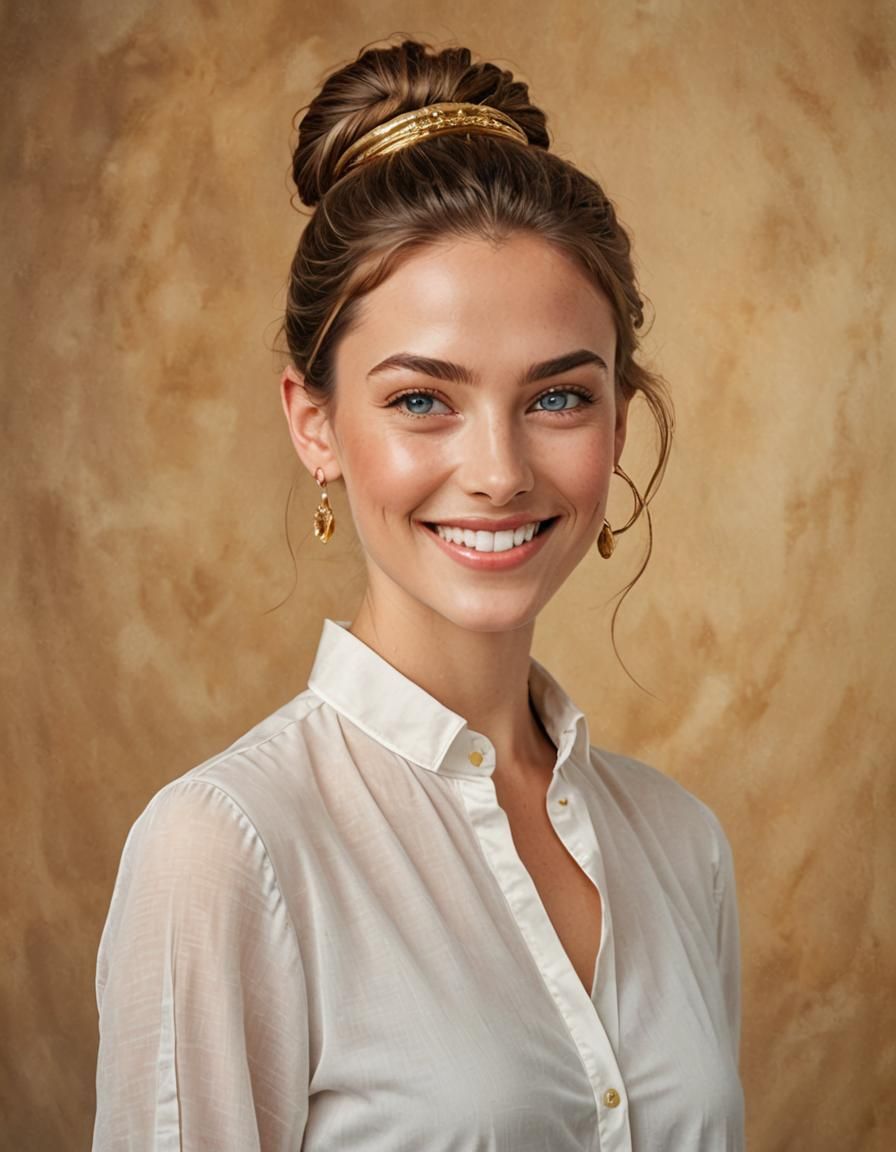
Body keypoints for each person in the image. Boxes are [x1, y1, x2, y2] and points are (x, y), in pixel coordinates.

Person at [92, 39, 745, 1152]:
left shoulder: (681, 847)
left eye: (555, 397)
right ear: (313, 422)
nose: (497, 469)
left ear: (617, 424)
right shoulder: (222, 853)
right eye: (421, 401)